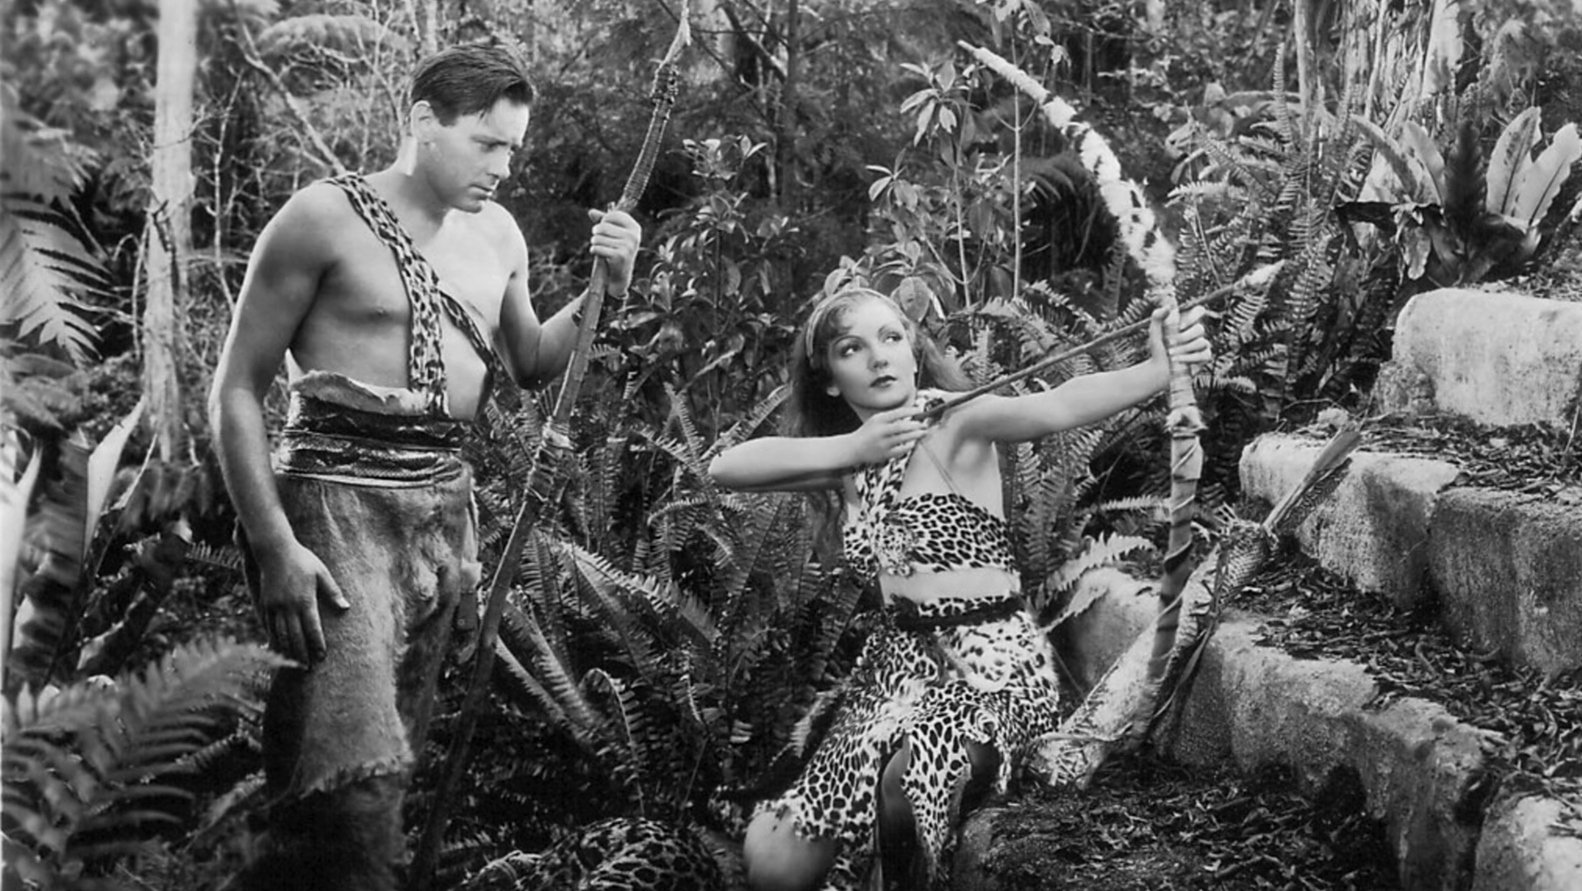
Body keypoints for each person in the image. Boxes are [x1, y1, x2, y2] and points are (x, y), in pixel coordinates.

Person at [208, 44, 642, 891]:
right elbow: (236, 389)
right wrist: (273, 543)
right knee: (343, 774)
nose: (503, 167)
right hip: (335, 510)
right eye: (487, 143)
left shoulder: (499, 234)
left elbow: (531, 360)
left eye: (513, 147)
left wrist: (608, 285)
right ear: (422, 122)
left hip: (441, 517)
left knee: (392, 761)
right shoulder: (321, 218)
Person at [707, 286, 1211, 890]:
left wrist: (1156, 371)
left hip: (991, 668)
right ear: (831, 380)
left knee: (913, 775)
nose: (879, 357)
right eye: (852, 348)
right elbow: (725, 468)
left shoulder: (954, 420)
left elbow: (1059, 405)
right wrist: (854, 447)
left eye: (891, 338)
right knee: (771, 862)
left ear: (914, 352)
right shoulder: (851, 460)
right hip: (895, 674)